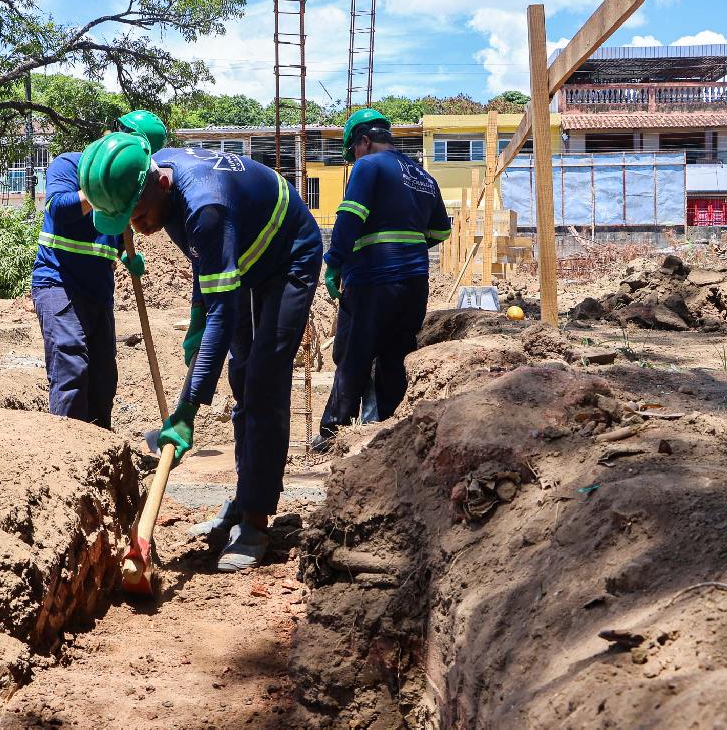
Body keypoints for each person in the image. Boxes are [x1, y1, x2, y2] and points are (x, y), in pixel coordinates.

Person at [78, 133, 323, 571]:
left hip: (288, 255)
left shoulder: (205, 206)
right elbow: (203, 258)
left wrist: (186, 412)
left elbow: (223, 311)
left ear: (161, 185)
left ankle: (255, 520)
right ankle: (246, 495)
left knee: (263, 380)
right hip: (243, 255)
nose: (137, 228)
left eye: (139, 215)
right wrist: (196, 318)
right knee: (240, 377)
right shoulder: (160, 186)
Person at [313, 108, 450, 450]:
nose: (352, 159)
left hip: (373, 279)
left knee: (353, 353)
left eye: (352, 151)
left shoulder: (368, 165)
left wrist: (335, 262)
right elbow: (441, 231)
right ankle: (387, 433)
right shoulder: (423, 176)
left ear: (364, 140)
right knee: (394, 354)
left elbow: (350, 215)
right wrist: (407, 244)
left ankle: (333, 433)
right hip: (415, 282)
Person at [31, 111, 166, 427]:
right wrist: (104, 187)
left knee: (103, 379)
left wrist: (126, 256)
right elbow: (60, 209)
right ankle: (68, 458)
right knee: (71, 367)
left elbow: (119, 234)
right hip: (58, 284)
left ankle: (101, 458)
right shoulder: (69, 165)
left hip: (99, 293)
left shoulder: (132, 188)